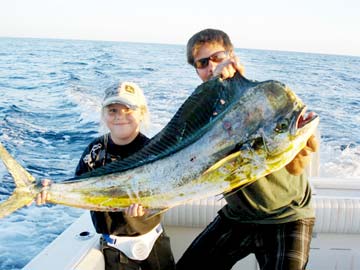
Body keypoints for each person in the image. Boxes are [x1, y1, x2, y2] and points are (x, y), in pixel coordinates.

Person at [176, 28, 319, 270]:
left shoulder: (270, 100)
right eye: (202, 63)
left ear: (232, 56)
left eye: (217, 58)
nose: (211, 67)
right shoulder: (201, 114)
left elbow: (296, 168)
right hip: (239, 215)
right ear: (196, 70)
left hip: (287, 216)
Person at [37, 81, 175, 270]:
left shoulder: (154, 151)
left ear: (142, 113)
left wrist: (148, 208)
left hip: (155, 240)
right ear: (104, 115)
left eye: (128, 109)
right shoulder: (95, 150)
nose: (120, 117)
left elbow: (167, 194)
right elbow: (78, 187)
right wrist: (50, 190)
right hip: (115, 247)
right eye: (113, 111)